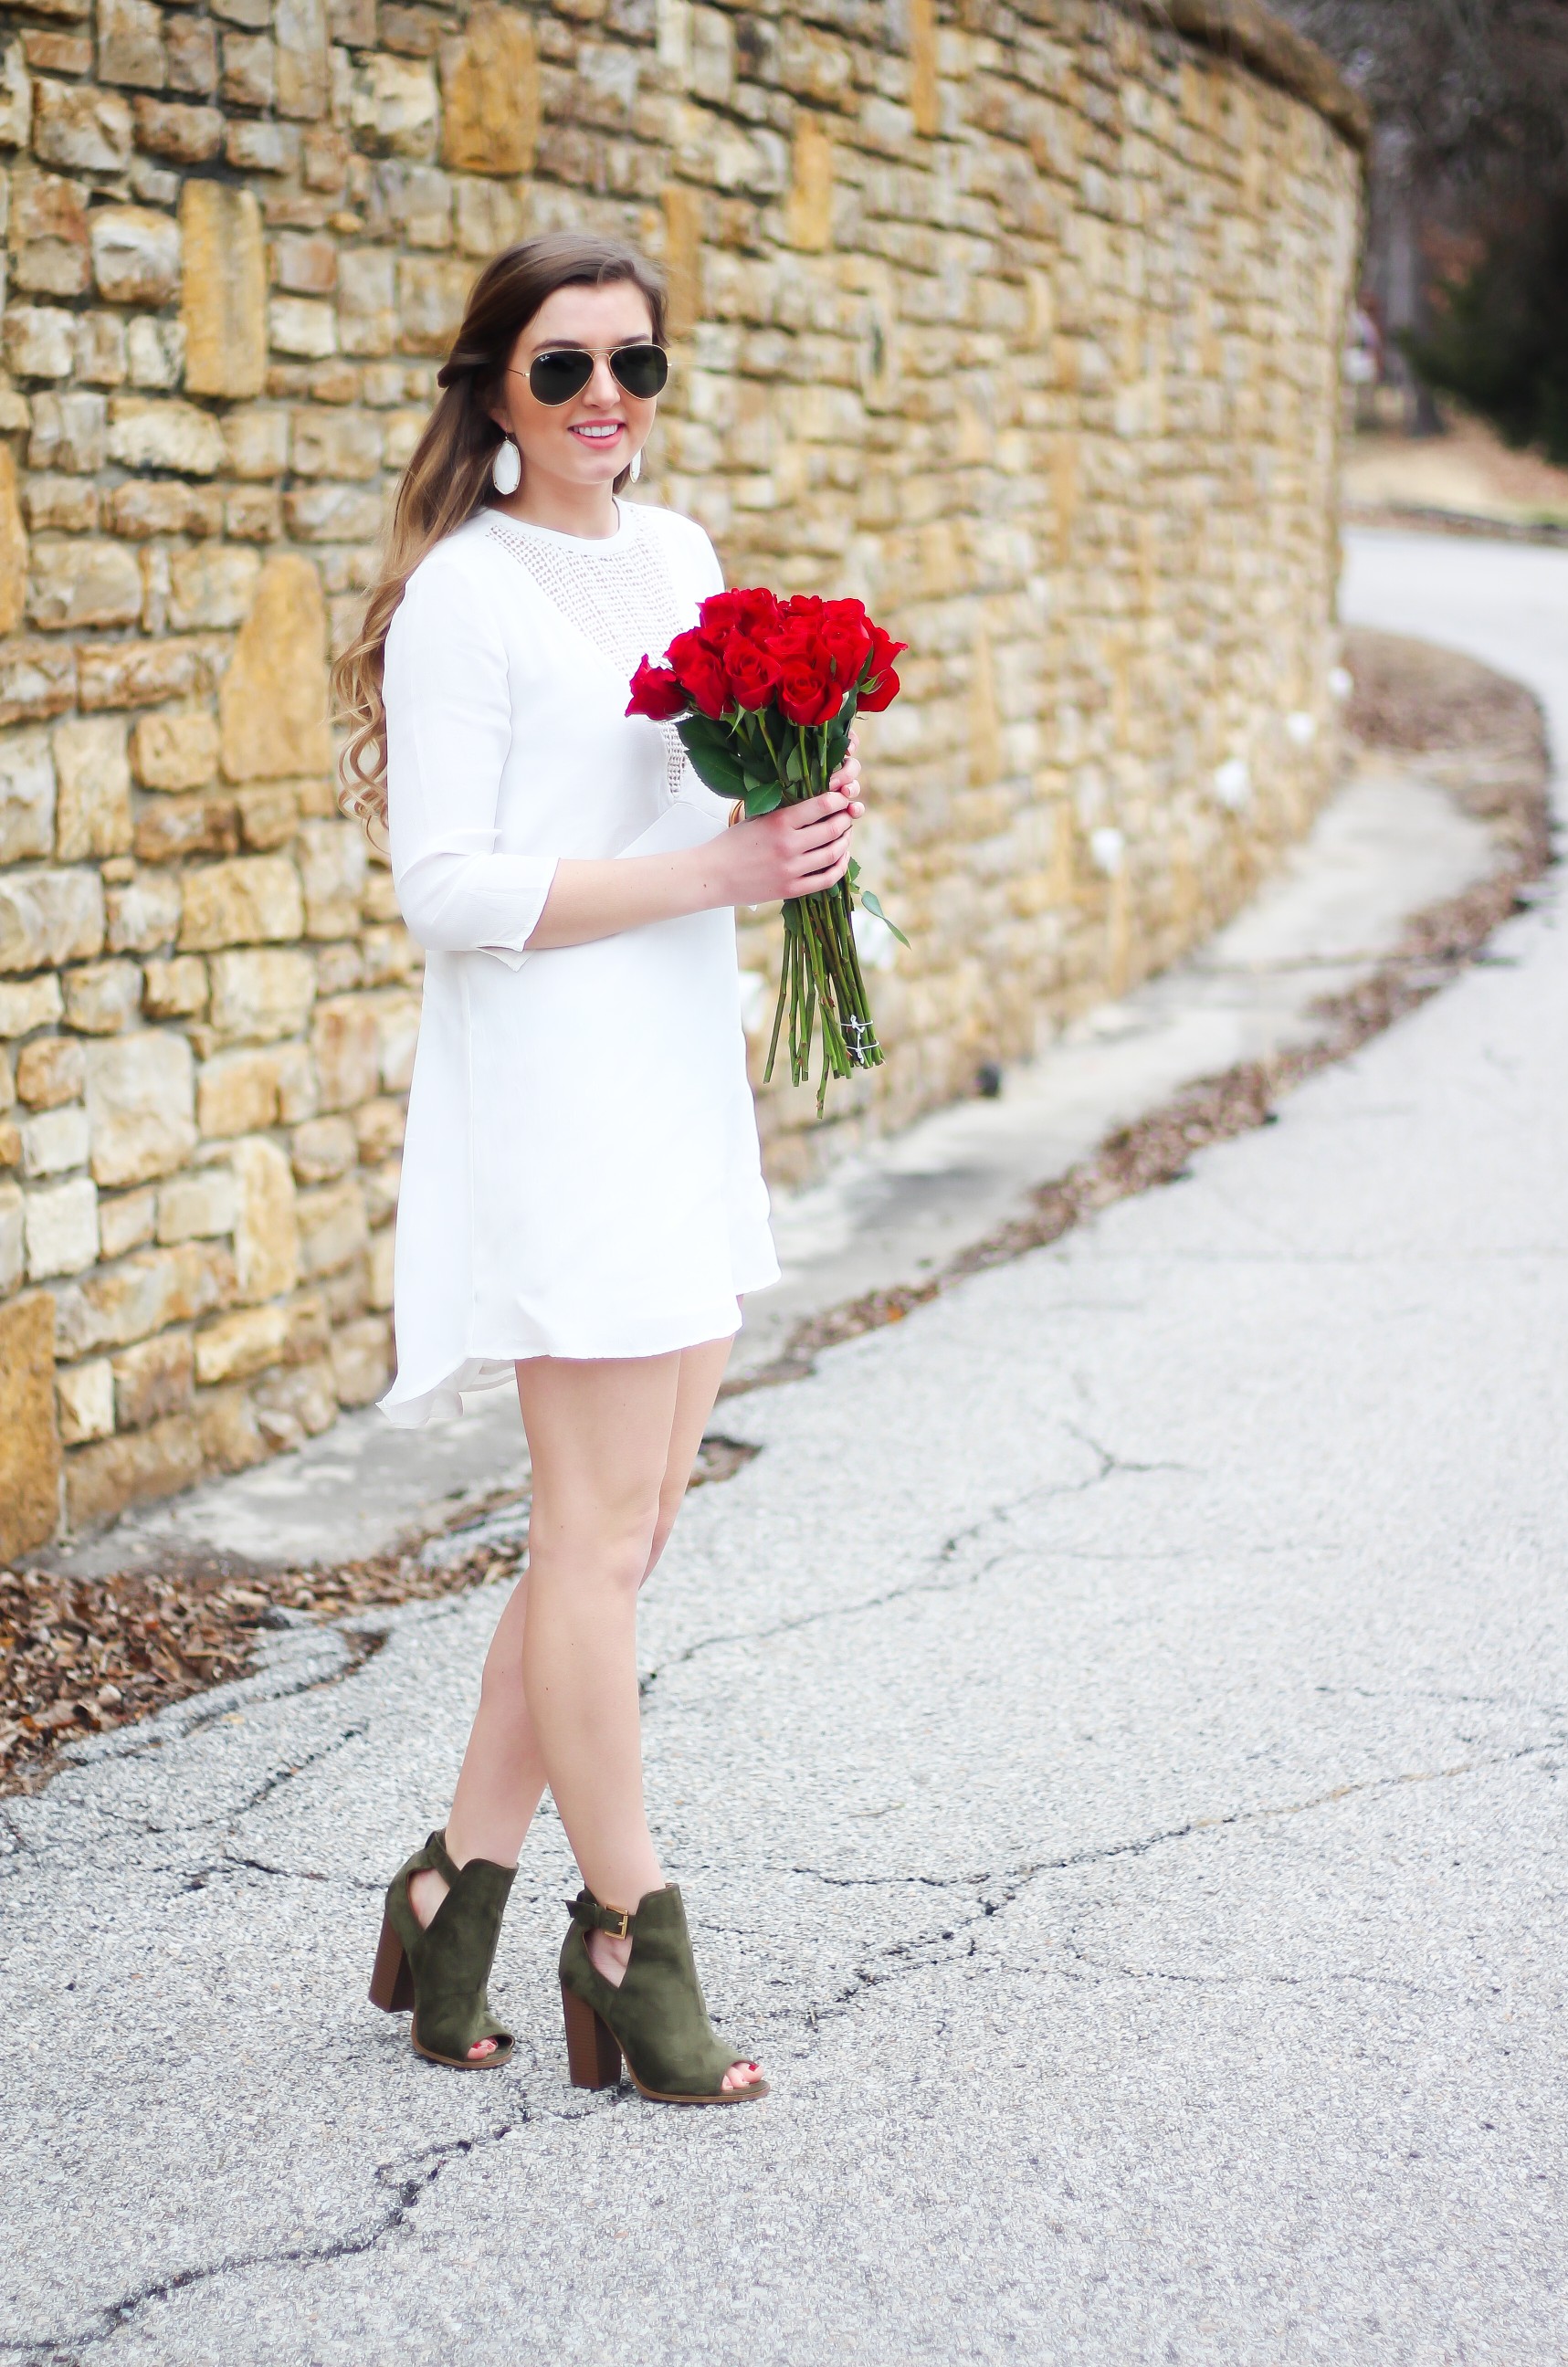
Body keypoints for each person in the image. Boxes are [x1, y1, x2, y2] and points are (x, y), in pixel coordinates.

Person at [331, 232, 864, 2105]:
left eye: (630, 360)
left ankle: (450, 1891)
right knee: (587, 1536)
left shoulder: (685, 553)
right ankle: (627, 1930)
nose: (604, 399)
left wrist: (791, 807)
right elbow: (453, 891)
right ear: (493, 394)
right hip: (551, 1089)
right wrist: (720, 876)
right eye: (561, 370)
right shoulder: (464, 601)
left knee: (633, 1537)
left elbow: (694, 801)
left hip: (675, 1068)